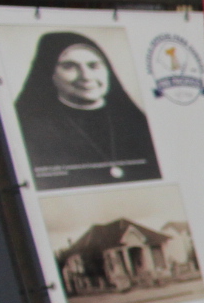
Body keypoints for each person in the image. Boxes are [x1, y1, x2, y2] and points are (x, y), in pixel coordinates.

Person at [12, 31, 161, 188]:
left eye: (94, 66)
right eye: (69, 67)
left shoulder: (136, 122)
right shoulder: (30, 127)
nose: (86, 76)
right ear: (50, 74)